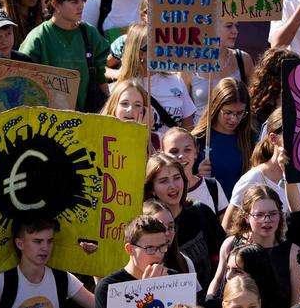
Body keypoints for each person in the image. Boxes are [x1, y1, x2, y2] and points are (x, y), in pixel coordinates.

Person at [19, 0, 108, 111]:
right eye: (74, 1)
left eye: (82, 0)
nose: (81, 6)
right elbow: (22, 80)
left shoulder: (89, 32)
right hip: (49, 122)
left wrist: (110, 105)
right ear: (56, 4)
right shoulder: (38, 38)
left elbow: (101, 72)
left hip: (87, 118)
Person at [208, 185, 300, 307]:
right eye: (259, 215)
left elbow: (297, 302)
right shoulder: (231, 244)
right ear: (246, 217)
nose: (267, 220)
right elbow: (218, 280)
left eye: (273, 214)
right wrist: (208, 301)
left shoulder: (292, 253)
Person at [143, 153, 225, 290]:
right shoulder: (146, 227)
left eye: (176, 178)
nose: (173, 186)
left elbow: (224, 255)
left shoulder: (201, 212)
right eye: (163, 181)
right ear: (152, 189)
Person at [0, 218, 94, 308]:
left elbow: (101, 304)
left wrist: (96, 265)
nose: (45, 248)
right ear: (20, 244)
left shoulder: (63, 279)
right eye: (38, 241)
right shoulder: (0, 282)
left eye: (49, 241)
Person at [115, 22, 195, 135]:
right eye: (158, 46)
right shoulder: (125, 87)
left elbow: (188, 124)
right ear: (141, 53)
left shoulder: (176, 81)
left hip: (172, 152)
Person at [190, 77, 256, 196]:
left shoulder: (250, 138)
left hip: (240, 209)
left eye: (240, 113)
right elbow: (183, 181)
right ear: (215, 107)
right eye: (228, 112)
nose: (234, 119)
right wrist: (197, 176)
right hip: (210, 209)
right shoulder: (198, 139)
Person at [93, 215, 168, 308]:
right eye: (150, 248)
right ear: (130, 249)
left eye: (162, 247)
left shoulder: (176, 279)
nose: (158, 255)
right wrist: (148, 289)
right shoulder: (108, 288)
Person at [161, 126, 226, 217]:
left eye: (187, 150)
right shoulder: (159, 192)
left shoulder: (212, 186)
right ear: (162, 155)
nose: (181, 156)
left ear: (195, 153)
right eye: (174, 151)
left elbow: (224, 228)